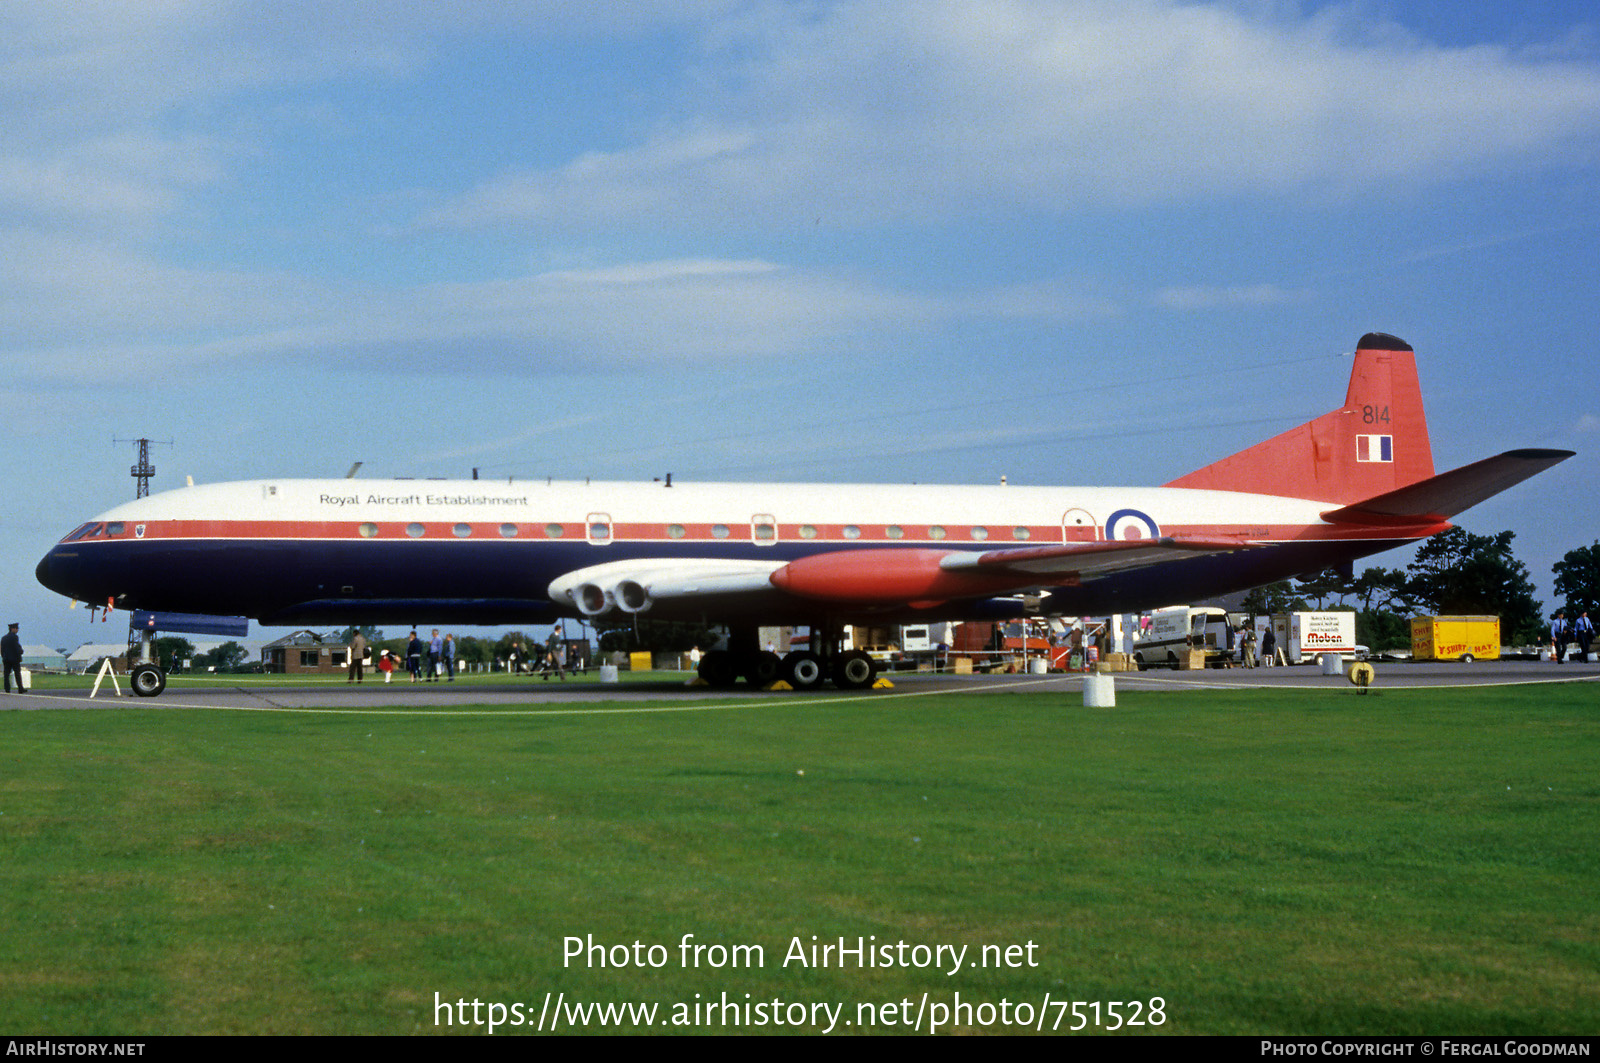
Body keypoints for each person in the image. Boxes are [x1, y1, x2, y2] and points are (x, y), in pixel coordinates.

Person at [2, 622, 25, 694]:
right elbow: (16, 647)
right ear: (13, 629)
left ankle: (7, 689)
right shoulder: (15, 637)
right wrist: (21, 651)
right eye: (16, 628)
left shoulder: (4, 638)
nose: (17, 630)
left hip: (6, 659)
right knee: (17, 674)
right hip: (14, 659)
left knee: (6, 674)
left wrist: (4, 656)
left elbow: (2, 649)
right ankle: (20, 688)